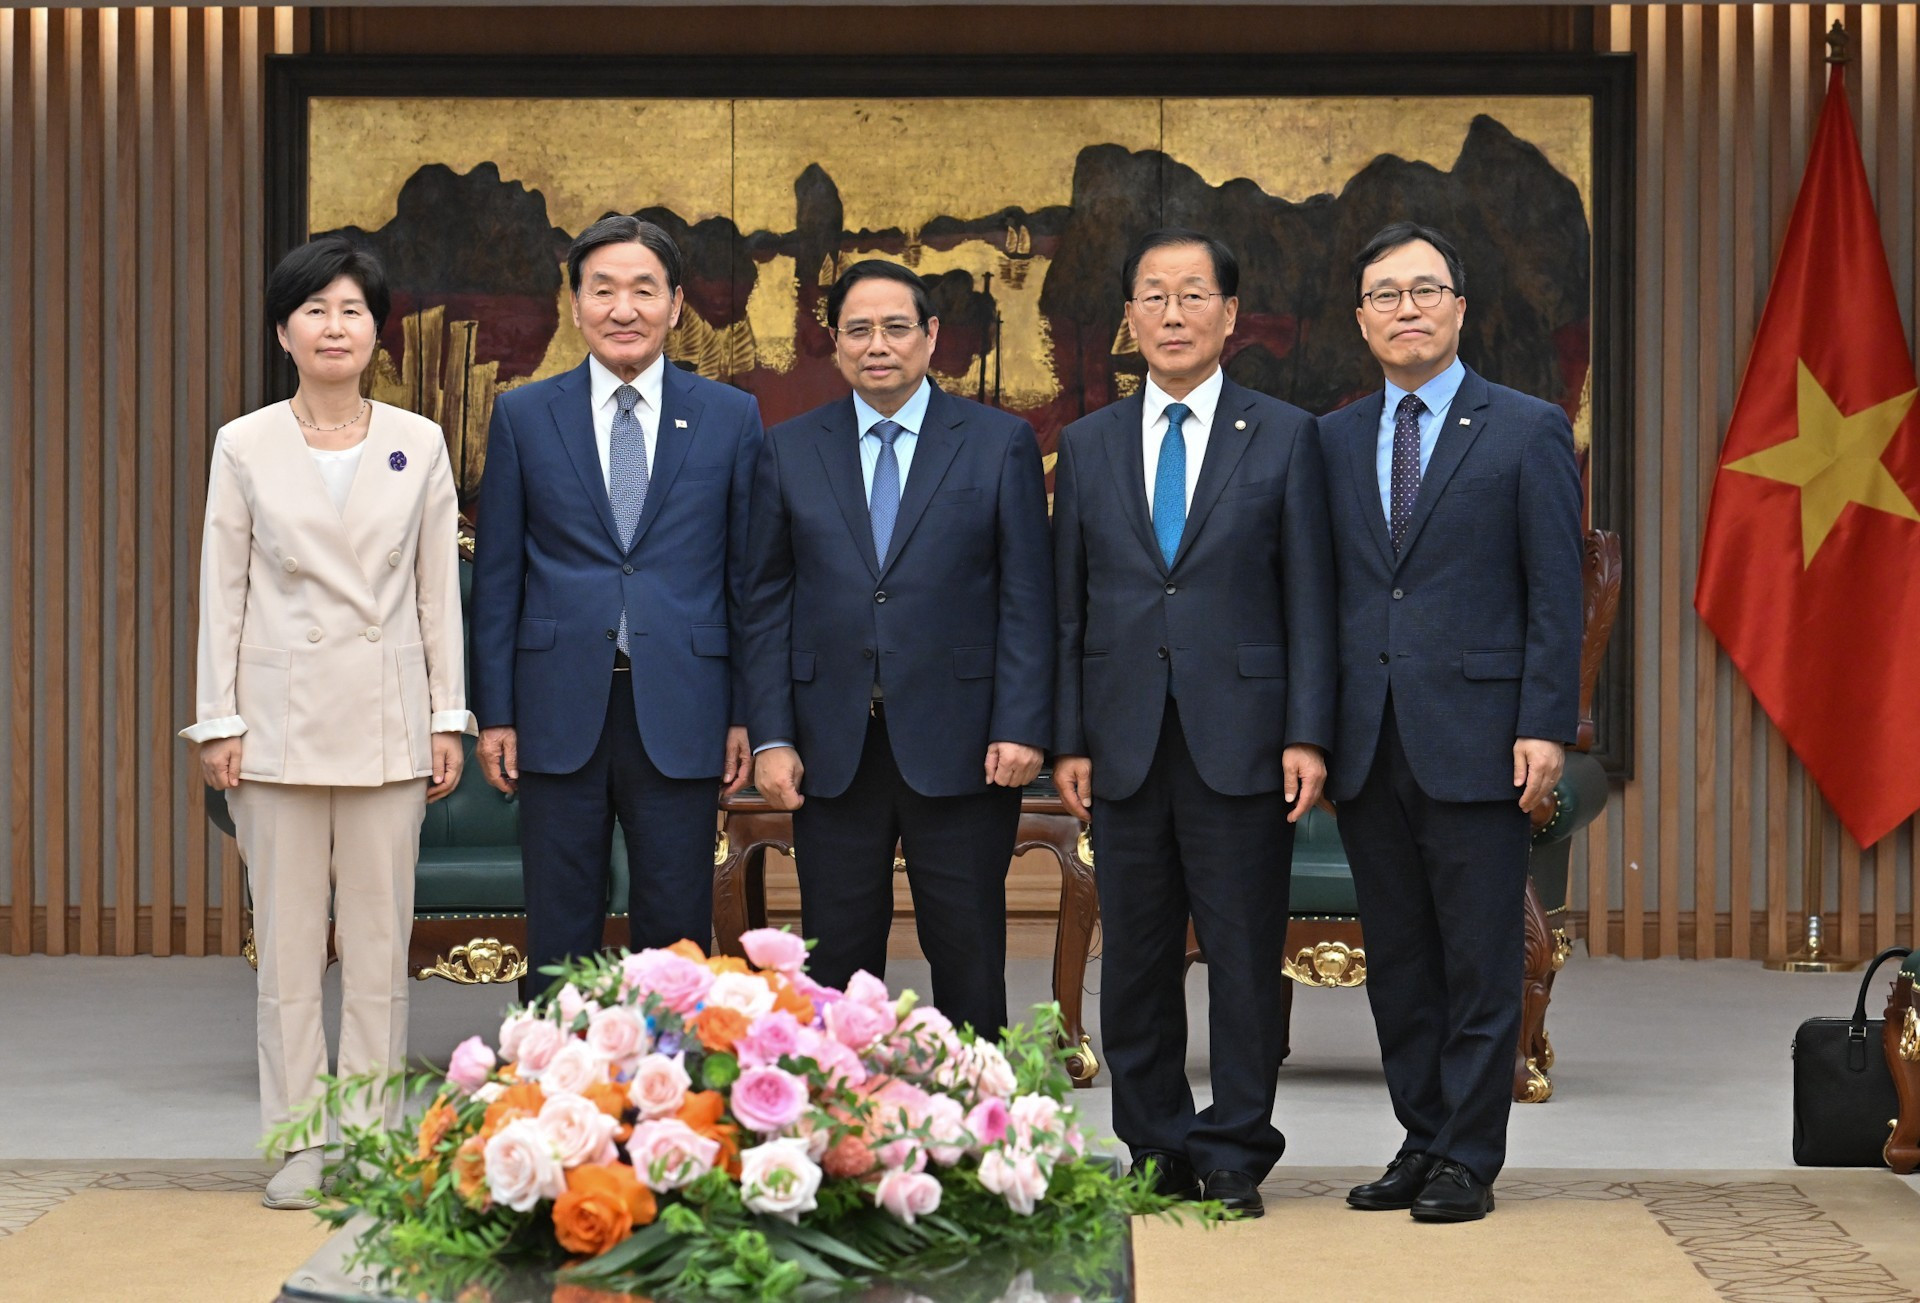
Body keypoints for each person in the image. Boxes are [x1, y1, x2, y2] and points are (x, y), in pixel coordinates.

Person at [182, 235, 472, 1209]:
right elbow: (222, 590)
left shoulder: (417, 441)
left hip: (388, 723)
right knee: (290, 952)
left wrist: (447, 715)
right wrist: (217, 719)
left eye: (352, 309)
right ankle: (299, 1142)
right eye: (314, 310)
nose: (334, 326)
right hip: (277, 726)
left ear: (376, 330)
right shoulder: (245, 442)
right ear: (284, 331)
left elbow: (437, 593)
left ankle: (375, 1139)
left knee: (383, 951)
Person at [1051, 229, 1335, 1218]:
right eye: (1153, 295)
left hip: (1245, 735)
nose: (1173, 314)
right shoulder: (1088, 443)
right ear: (1129, 315)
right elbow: (1068, 605)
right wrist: (1068, 736)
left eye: (1192, 294)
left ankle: (1235, 1147)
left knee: (1245, 955)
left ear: (1230, 314)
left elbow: (1311, 598)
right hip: (1122, 738)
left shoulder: (1286, 435)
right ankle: (1155, 1143)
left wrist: (1307, 731)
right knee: (1134, 957)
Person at [1322, 222, 1582, 1223]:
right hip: (1366, 738)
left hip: (1482, 735)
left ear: (1460, 308)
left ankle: (1469, 1156)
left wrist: (1545, 722)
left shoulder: (1526, 428)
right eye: (1385, 294)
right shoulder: (1333, 439)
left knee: (1478, 958)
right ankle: (1422, 1137)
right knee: (1398, 961)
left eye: (1425, 290)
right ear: (1362, 319)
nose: (1407, 309)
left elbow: (1554, 591)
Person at [741, 259, 1052, 1039]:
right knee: (837, 962)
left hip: (965, 741)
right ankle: (844, 1109)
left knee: (968, 950)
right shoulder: (789, 449)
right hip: (831, 743)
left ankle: (978, 1110)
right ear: (834, 342)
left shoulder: (998, 443)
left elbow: (1027, 597)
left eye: (895, 327)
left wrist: (1022, 723)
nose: (876, 345)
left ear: (931, 335)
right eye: (858, 330)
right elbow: (765, 603)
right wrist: (771, 735)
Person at [469, 216, 762, 988]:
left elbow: (748, 579)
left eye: (643, 290)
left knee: (676, 922)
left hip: (686, 701)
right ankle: (556, 1062)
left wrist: (744, 711)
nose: (623, 309)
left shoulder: (730, 416)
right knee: (560, 919)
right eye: (603, 290)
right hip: (556, 700)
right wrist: (495, 713)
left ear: (675, 304)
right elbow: (498, 578)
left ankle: (671, 1064)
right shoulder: (525, 415)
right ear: (575, 305)